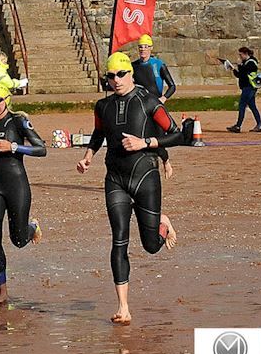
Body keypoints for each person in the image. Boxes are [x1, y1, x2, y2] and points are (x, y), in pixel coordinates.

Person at [75, 52, 187, 324]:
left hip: (145, 175)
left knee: (150, 246)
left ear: (131, 74)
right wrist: (88, 156)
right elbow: (99, 134)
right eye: (111, 76)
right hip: (115, 179)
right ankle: (123, 306)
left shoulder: (147, 101)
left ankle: (162, 221)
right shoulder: (102, 106)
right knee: (119, 240)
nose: (116, 80)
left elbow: (177, 133)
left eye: (121, 74)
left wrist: (145, 143)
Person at [0, 83, 45, 305]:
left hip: (16, 184)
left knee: (18, 239)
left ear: (7, 100)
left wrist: (13, 147)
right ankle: (2, 291)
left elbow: (41, 148)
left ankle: (32, 228)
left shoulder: (18, 121)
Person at [223, 47, 261, 132]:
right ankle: (259, 125)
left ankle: (238, 126)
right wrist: (233, 69)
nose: (240, 56)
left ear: (246, 54)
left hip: (249, 88)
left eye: (241, 55)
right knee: (252, 106)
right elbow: (239, 75)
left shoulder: (251, 63)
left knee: (242, 106)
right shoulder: (245, 63)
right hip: (247, 88)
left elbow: (244, 73)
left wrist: (239, 66)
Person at [131, 34, 177, 103]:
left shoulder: (159, 64)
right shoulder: (133, 66)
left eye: (146, 47)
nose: (143, 49)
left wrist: (163, 98)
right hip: (140, 103)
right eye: (141, 47)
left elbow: (172, 86)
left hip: (156, 102)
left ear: (151, 48)